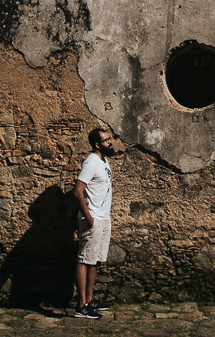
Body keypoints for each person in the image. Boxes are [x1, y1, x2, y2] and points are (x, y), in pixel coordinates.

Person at [72, 127, 116, 319]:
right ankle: (81, 305)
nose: (110, 142)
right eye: (107, 140)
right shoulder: (91, 162)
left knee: (94, 261)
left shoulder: (103, 160)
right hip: (93, 219)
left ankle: (89, 300)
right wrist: (89, 217)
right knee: (84, 259)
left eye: (110, 139)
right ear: (97, 144)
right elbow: (77, 191)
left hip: (103, 218)